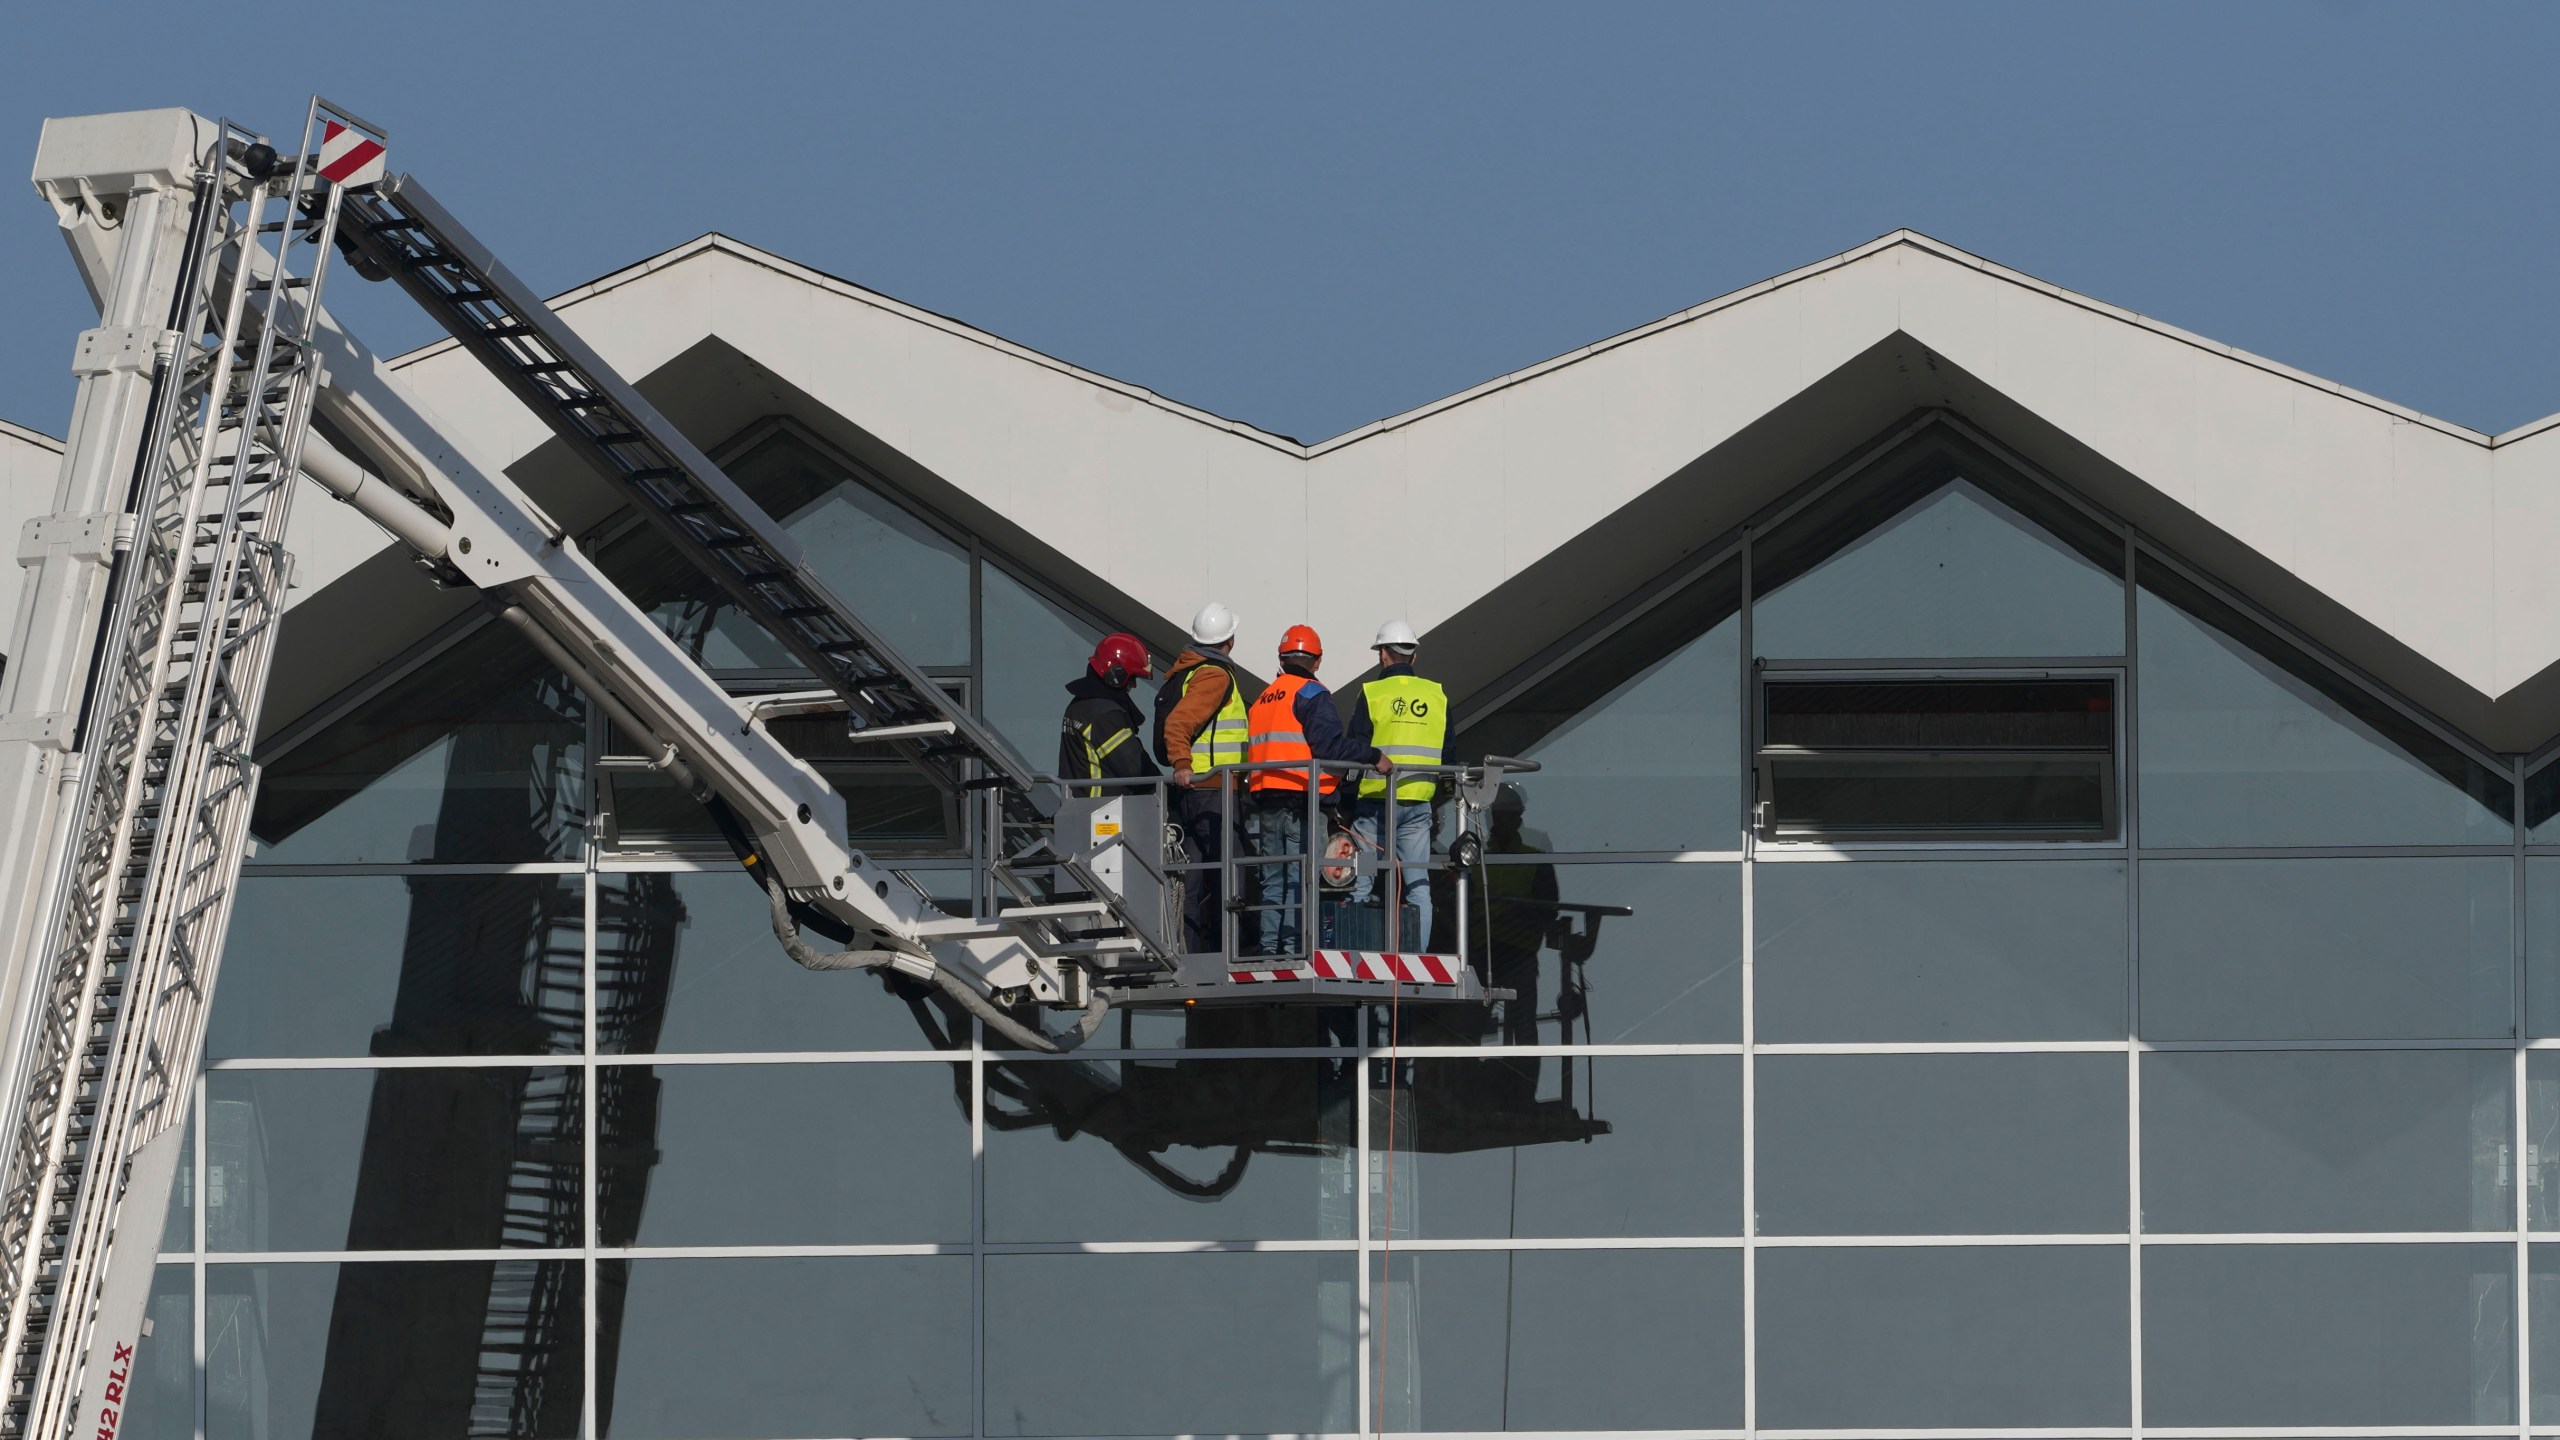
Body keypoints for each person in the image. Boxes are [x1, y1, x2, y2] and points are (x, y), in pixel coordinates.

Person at [1243, 625, 1385, 955]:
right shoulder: (1311, 694)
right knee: (1300, 879)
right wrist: (1373, 756)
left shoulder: (1263, 699)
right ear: (1317, 662)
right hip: (1302, 801)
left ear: (1281, 657)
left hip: (1267, 802)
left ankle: (1268, 949)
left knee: (1273, 882)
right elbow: (1330, 747)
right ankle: (1295, 951)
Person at [1343, 619, 1445, 950]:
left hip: (1374, 803)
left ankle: (1356, 956)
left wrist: (1343, 801)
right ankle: (1417, 957)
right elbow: (1451, 751)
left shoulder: (1372, 693)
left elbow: (1355, 751)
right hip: (1417, 804)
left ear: (1383, 655)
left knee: (1362, 882)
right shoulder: (1436, 694)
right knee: (1418, 886)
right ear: (1413, 657)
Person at [1157, 602, 1250, 953]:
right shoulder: (1215, 675)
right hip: (1213, 789)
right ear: (1230, 639)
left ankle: (1190, 946)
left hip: (1199, 789)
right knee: (1229, 873)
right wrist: (1182, 761)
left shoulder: (1190, 670)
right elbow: (1179, 723)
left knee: (1193, 874)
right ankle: (1231, 950)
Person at [1058, 632, 1157, 799]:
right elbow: (1135, 768)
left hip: (1080, 809)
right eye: (1132, 677)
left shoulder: (1079, 705)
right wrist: (1170, 791)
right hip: (1104, 812)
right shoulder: (1105, 715)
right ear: (1116, 675)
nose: (1134, 685)